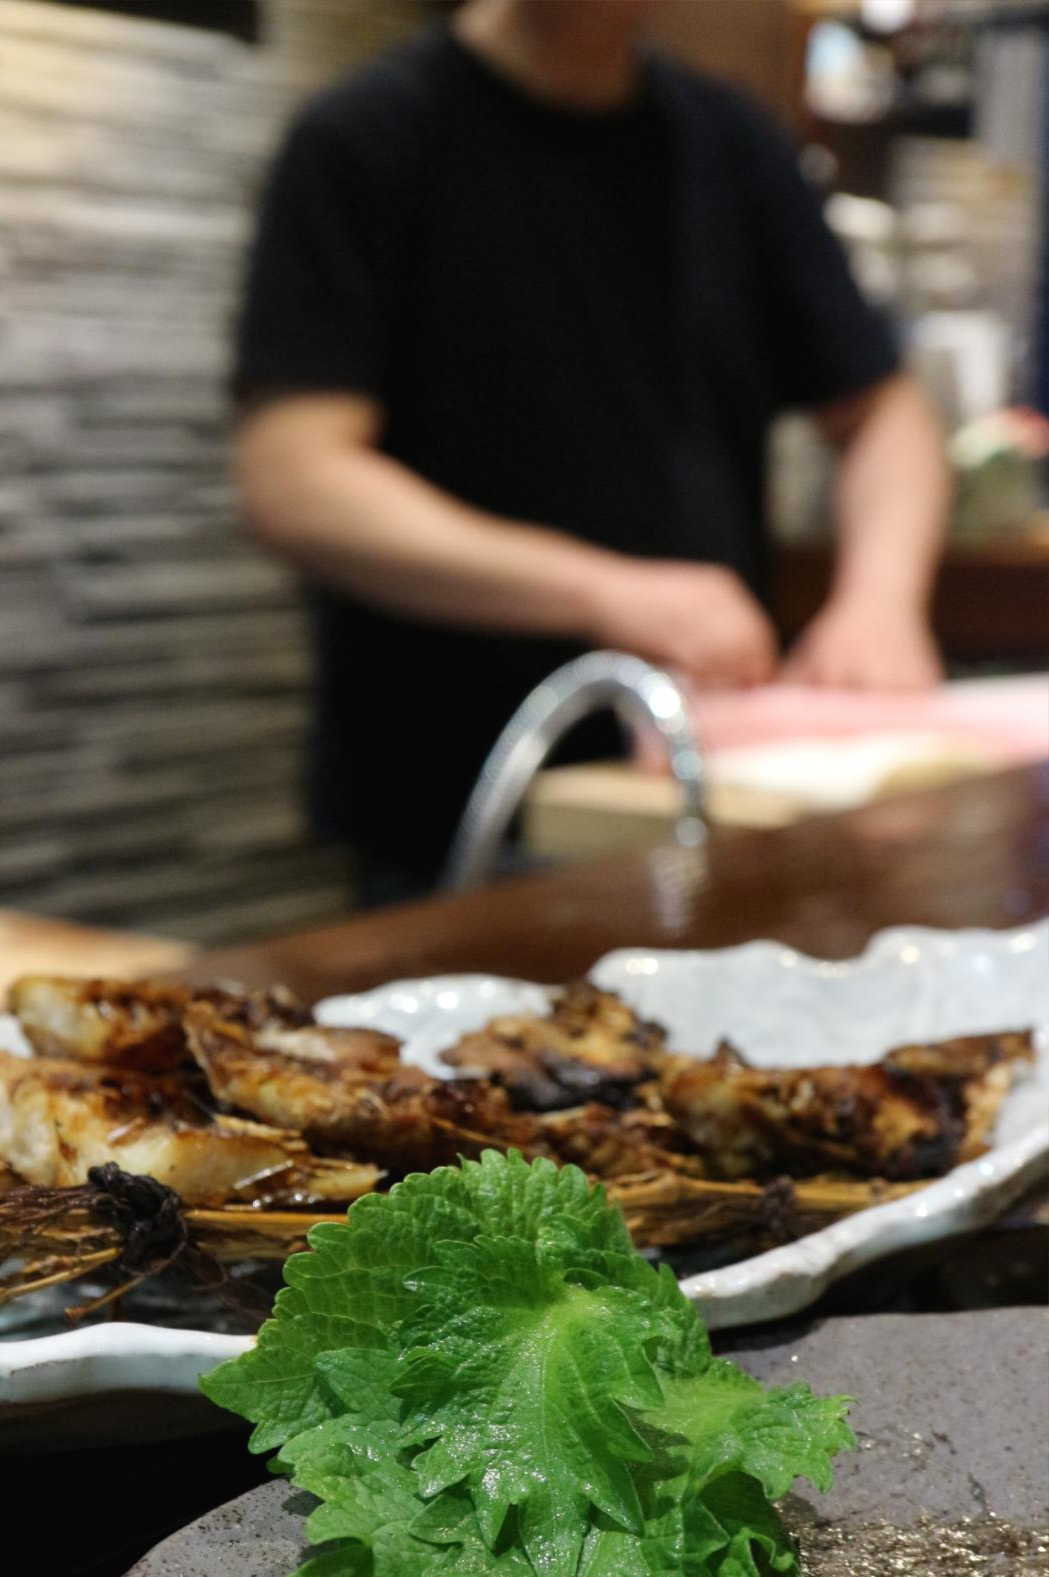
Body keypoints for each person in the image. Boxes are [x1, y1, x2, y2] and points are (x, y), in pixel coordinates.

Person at [232, 0, 951, 903]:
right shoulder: (368, 136)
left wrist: (879, 602)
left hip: (704, 794)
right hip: (454, 812)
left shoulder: (730, 144)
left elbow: (883, 414)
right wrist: (603, 592)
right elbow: (294, 480)